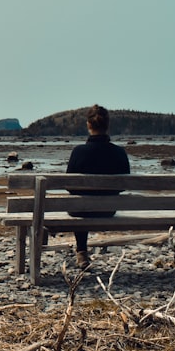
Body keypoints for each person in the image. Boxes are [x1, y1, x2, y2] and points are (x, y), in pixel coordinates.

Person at [66, 104, 130, 268]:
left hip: (81, 210)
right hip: (108, 209)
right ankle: (81, 252)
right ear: (107, 126)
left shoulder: (78, 152)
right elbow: (124, 185)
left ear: (88, 125)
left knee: (79, 201)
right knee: (82, 201)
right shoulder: (119, 152)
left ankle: (81, 251)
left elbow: (69, 186)